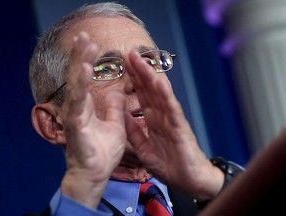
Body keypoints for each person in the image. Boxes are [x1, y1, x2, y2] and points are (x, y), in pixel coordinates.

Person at [28, 2, 243, 215]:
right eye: (105, 69)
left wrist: (210, 183)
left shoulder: (217, 185)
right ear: (54, 124)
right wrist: (84, 187)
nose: (138, 81)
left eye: (149, 62)